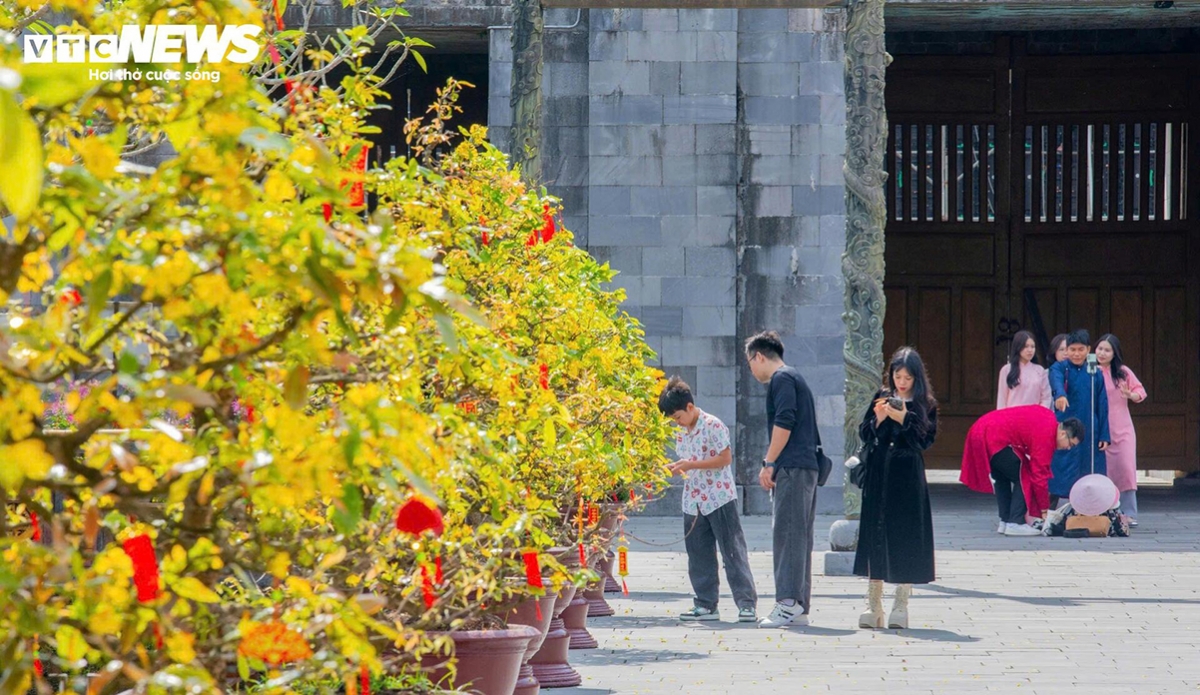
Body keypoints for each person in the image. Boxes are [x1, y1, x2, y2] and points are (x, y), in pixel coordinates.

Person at [658, 377, 758, 623]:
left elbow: (725, 459)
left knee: (733, 552)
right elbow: (688, 462)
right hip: (693, 500)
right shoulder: (682, 431)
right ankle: (705, 604)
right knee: (698, 554)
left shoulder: (713, 425)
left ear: (690, 407)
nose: (677, 422)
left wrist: (691, 464)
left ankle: (746, 604)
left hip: (719, 497)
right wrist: (678, 467)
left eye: (678, 416)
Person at [854, 347, 938, 630]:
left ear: (917, 377)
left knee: (905, 534)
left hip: (906, 474)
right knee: (875, 531)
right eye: (897, 376)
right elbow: (865, 433)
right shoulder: (882, 396)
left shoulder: (925, 403)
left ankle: (901, 602)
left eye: (907, 377)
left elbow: (924, 441)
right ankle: (873, 602)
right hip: (879, 472)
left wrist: (905, 419)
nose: (901, 382)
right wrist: (877, 418)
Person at [745, 331, 819, 629]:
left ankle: (787, 602)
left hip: (792, 467)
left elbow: (784, 421)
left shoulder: (781, 379)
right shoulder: (795, 377)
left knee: (787, 535)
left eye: (750, 362)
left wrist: (769, 462)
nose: (751, 370)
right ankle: (798, 605)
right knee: (799, 536)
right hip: (806, 466)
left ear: (759, 356)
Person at [960, 405, 1085, 535]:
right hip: (993, 436)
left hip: (981, 431)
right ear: (1063, 433)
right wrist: (1043, 508)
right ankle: (1015, 522)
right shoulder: (1047, 435)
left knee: (1002, 477)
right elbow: (1039, 476)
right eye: (1070, 444)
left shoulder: (1048, 419)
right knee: (1026, 474)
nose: (1068, 448)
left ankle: (1005, 521)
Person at [1048, 329, 1110, 507]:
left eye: (1081, 349)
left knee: (1090, 471)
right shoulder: (1059, 367)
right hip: (1066, 428)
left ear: (1088, 349)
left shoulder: (1094, 372)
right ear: (1067, 350)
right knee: (1059, 470)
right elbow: (1056, 381)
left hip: (1090, 428)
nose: (1076, 354)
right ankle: (1048, 513)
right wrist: (1060, 395)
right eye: (1072, 349)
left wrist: (1104, 435)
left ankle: (1091, 510)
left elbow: (1102, 404)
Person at [1096, 334, 1147, 526]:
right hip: (1101, 427)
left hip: (1123, 427)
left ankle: (1129, 513)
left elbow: (1141, 391)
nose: (1102, 353)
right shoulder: (1091, 370)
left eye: (1107, 350)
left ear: (1114, 353)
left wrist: (1130, 394)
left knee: (1126, 469)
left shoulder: (1123, 372)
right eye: (1099, 349)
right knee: (1105, 470)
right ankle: (1105, 510)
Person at [997, 330, 1052, 410]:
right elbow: (1002, 399)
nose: (1030, 350)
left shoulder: (1040, 371)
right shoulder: (1006, 370)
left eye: (1032, 347)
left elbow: (1046, 397)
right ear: (1018, 347)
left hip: (1034, 417)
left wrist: (1040, 414)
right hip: (1012, 417)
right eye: (1026, 346)